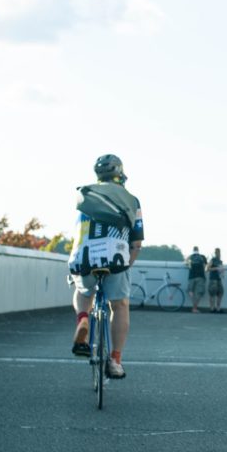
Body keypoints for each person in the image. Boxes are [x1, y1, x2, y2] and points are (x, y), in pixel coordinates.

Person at [68, 154, 143, 380]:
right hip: (115, 256)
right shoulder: (131, 199)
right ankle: (115, 360)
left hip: (85, 255)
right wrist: (127, 264)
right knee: (119, 305)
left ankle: (83, 318)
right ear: (120, 174)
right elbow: (137, 241)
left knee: (82, 290)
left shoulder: (84, 194)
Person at [185, 246, 206, 314]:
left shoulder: (190, 257)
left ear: (193, 250)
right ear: (198, 250)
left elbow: (186, 264)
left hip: (191, 276)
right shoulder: (202, 257)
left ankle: (193, 302)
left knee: (190, 291)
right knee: (198, 293)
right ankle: (194, 308)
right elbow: (205, 266)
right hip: (200, 276)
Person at [206, 248, 225, 313]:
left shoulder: (220, 261)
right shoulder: (212, 260)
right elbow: (207, 269)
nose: (218, 254)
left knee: (220, 293)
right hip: (213, 279)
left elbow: (222, 269)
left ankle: (218, 308)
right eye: (217, 252)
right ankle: (212, 308)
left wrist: (222, 272)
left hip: (219, 279)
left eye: (219, 252)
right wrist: (216, 268)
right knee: (212, 294)